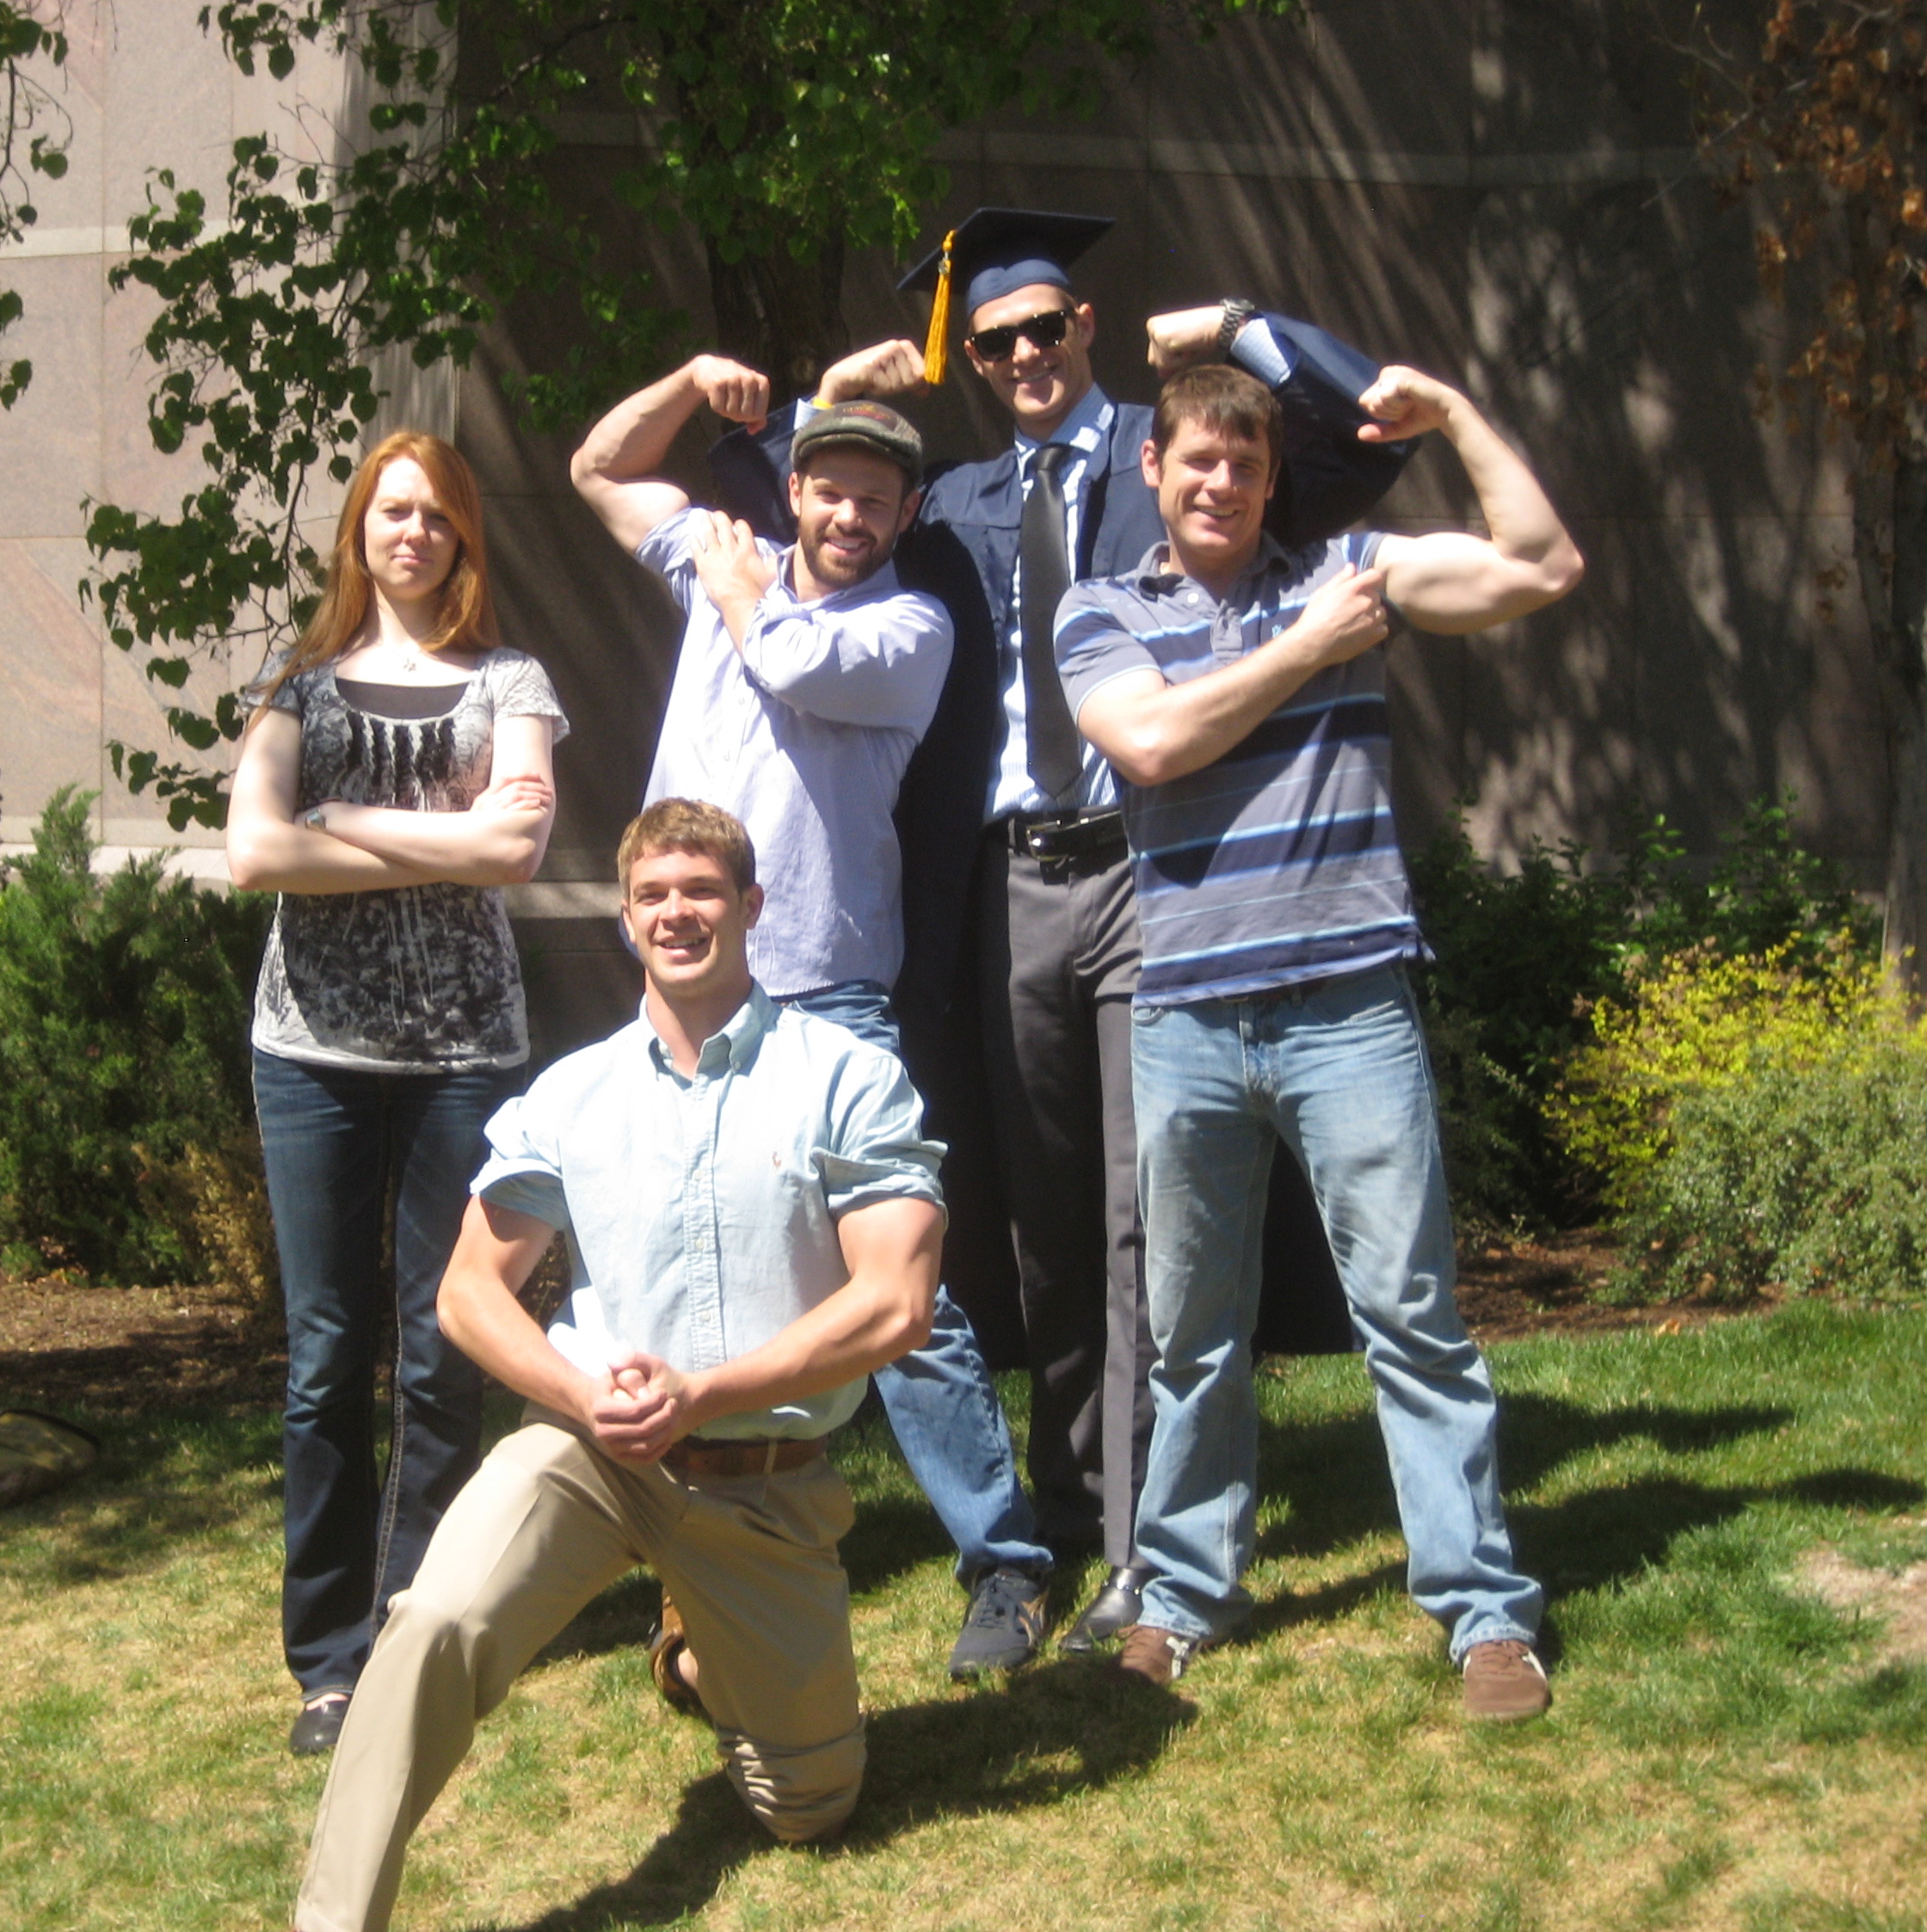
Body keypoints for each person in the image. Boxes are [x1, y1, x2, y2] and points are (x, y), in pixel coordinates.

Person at [710, 209, 1414, 1653]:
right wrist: (832, 391)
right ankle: (1075, 1504)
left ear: (1086, 326)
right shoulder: (954, 503)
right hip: (1011, 885)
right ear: (970, 360)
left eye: (1045, 328)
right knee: (1039, 1217)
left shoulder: (1179, 457)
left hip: (1160, 868)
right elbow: (794, 498)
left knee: (1145, 1206)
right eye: (994, 342)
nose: (1024, 354)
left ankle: (1152, 1546)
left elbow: (1367, 432)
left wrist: (1239, 328)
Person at [271, 799, 947, 1932]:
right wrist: (582, 1397)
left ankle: (691, 1653)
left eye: (702, 890)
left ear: (751, 906)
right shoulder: (571, 1095)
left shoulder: (846, 1077)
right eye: (652, 895)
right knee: (435, 1620)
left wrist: (705, 1394)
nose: (677, 914)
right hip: (590, 1454)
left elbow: (895, 1303)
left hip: (762, 1480)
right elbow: (468, 1292)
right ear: (626, 918)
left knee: (810, 1807)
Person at [1055, 360, 1583, 1720]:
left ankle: (1486, 1616)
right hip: (1187, 1017)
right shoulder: (1101, 610)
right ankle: (1180, 1596)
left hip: (1350, 1004)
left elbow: (1543, 566)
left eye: (1246, 462)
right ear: (1154, 469)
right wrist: (1307, 649)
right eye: (1198, 459)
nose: (1220, 482)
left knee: (1412, 1317)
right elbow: (1153, 745)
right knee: (1192, 1335)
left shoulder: (1354, 569)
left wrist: (1454, 414)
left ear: (1271, 475)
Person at [570, 371, 1059, 1678]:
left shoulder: (911, 630)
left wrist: (739, 584)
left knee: (903, 1296)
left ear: (905, 516)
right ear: (793, 490)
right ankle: (696, 1566)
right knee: (682, 1271)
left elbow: (784, 653)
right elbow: (598, 472)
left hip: (828, 998)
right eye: (830, 490)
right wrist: (687, 384)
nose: (850, 516)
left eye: (876, 500)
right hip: (683, 991)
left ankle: (1006, 1563)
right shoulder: (720, 549)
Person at [225, 433, 569, 1757]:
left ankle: (417, 1623)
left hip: (462, 1056)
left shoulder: (511, 681)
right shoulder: (296, 687)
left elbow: (518, 846)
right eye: (390, 511)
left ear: (463, 534)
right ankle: (328, 1658)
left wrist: (345, 823)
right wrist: (448, 842)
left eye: (434, 515)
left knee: (441, 1353)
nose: (411, 533)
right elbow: (254, 854)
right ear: (358, 531)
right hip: (311, 1054)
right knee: (325, 1359)